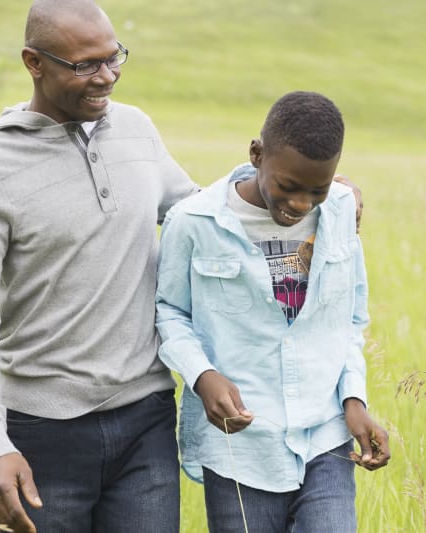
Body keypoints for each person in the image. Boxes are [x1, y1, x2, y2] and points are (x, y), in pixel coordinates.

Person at [0, 1, 200, 531]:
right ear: (34, 62)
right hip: (40, 434)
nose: (107, 77)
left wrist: (312, 192)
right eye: (86, 65)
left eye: (114, 58)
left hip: (146, 417)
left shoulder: (136, 130)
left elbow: (197, 213)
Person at [155, 91, 391, 533]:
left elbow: (350, 320)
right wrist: (202, 375)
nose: (301, 203)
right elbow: (169, 311)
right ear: (257, 154)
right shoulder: (193, 222)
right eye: (288, 186)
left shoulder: (341, 210)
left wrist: (353, 399)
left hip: (326, 434)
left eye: (317, 190)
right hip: (241, 447)